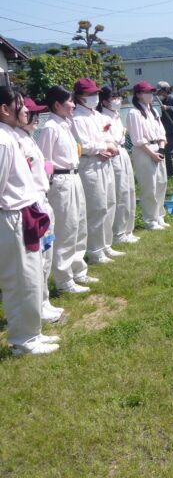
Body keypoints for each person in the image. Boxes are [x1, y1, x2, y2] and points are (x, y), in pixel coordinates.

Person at [0, 86, 59, 355]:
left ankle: (32, 333)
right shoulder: (2, 140)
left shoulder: (12, 135)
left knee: (32, 277)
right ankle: (22, 341)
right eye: (20, 104)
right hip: (11, 215)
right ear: (4, 109)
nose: (25, 110)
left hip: (24, 212)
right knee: (20, 280)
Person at [37, 85, 94, 294]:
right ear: (57, 105)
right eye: (69, 101)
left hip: (74, 176)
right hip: (61, 181)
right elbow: (45, 159)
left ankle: (78, 270)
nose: (73, 105)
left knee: (79, 224)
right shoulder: (51, 127)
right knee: (66, 229)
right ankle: (64, 279)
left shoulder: (65, 125)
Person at [17, 96, 64, 322]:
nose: (35, 118)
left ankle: (44, 300)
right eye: (30, 113)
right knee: (36, 258)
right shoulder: (16, 140)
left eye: (37, 114)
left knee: (46, 252)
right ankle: (38, 305)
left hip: (42, 199)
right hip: (32, 202)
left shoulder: (29, 137)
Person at [72, 78, 121, 265]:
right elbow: (83, 145)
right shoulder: (77, 118)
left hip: (105, 161)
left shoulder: (98, 116)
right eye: (89, 94)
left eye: (95, 93)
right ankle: (95, 250)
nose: (94, 97)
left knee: (110, 202)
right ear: (79, 96)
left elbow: (109, 137)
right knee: (96, 208)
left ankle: (106, 244)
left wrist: (107, 146)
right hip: (90, 164)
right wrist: (102, 146)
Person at [98, 86, 140, 245]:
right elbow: (108, 139)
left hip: (122, 152)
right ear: (104, 102)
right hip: (113, 154)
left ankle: (128, 229)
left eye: (118, 97)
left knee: (129, 190)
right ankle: (118, 233)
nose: (117, 100)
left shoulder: (116, 116)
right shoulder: (103, 117)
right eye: (113, 98)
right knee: (119, 192)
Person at [127, 81, 168, 231]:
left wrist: (161, 150)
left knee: (161, 183)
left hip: (158, 146)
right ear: (138, 94)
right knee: (149, 186)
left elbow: (161, 132)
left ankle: (159, 216)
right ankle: (150, 219)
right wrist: (152, 154)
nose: (151, 95)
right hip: (144, 150)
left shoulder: (154, 111)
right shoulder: (134, 113)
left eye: (152, 92)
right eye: (147, 92)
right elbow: (137, 139)